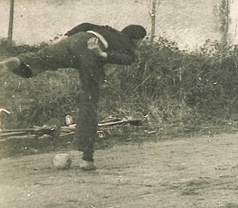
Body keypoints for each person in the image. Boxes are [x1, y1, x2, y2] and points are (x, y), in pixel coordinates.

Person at [0, 23, 147, 170]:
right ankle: (87, 159)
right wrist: (102, 54)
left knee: (41, 58)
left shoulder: (108, 30)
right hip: (92, 50)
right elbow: (129, 59)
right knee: (90, 100)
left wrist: (65, 37)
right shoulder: (129, 45)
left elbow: (85, 25)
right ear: (137, 39)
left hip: (74, 40)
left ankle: (18, 62)